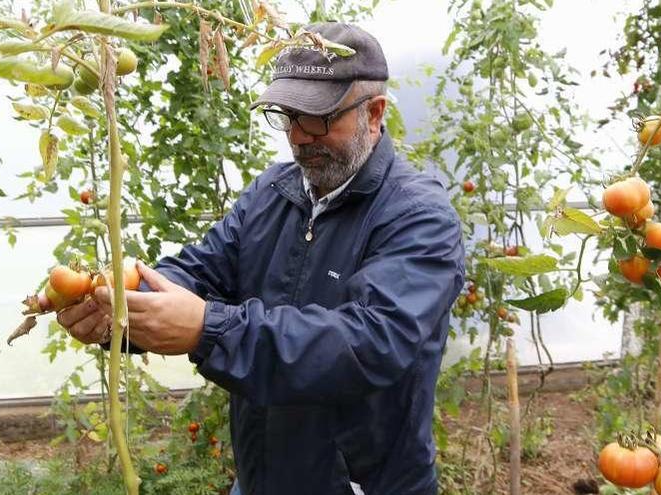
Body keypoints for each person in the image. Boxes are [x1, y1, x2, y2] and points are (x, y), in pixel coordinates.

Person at [57, 21, 465, 495]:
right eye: (287, 115)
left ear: (374, 114)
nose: (298, 137)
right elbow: (203, 271)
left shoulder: (418, 217)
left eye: (317, 118)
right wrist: (121, 304)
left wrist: (208, 329)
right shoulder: (273, 192)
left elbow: (367, 343)